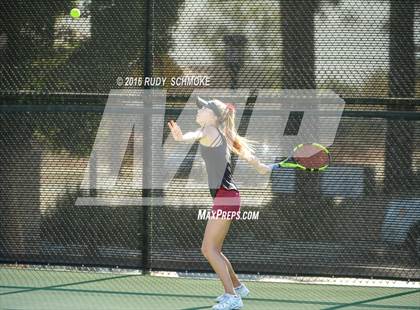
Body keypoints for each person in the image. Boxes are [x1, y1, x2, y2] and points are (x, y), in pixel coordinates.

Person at [168, 97, 271, 310]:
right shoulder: (223, 134)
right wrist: (262, 167)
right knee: (215, 248)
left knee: (208, 249)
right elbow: (246, 154)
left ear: (213, 116)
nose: (199, 110)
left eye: (204, 107)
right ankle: (238, 287)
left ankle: (232, 297)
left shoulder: (210, 131)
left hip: (225, 197)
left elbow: (196, 135)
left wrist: (181, 137)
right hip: (227, 197)